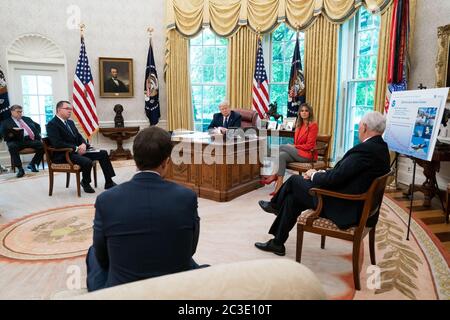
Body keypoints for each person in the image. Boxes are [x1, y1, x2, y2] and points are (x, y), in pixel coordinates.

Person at [86, 126, 205, 291]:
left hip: (122, 291)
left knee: (92, 252)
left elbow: (102, 258)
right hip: (175, 286)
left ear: (135, 159)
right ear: (167, 161)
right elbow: (190, 249)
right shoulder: (187, 196)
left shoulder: (106, 199)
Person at [255, 111, 390, 256]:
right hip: (356, 202)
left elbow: (334, 179)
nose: (358, 129)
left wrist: (313, 174)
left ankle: (275, 206)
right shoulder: (381, 148)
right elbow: (346, 174)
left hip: (344, 206)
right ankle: (277, 242)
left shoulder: (365, 150)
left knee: (294, 181)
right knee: (293, 197)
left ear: (364, 127)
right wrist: (321, 174)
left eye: (359, 126)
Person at [46, 101, 116, 193]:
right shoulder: (52, 124)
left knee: (103, 153)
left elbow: (79, 136)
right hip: (64, 154)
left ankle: (109, 182)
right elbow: (57, 143)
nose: (70, 111)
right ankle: (85, 182)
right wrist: (76, 148)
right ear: (59, 110)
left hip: (76, 151)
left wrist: (83, 144)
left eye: (71, 109)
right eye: (67, 109)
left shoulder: (70, 122)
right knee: (87, 161)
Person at [261, 103, 318, 196]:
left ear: (310, 113)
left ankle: (273, 174)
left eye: (306, 111)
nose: (304, 113)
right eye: (302, 111)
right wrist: (294, 146)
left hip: (308, 155)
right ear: (299, 113)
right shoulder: (299, 125)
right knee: (281, 156)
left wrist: (294, 147)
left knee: (282, 147)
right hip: (299, 152)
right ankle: (278, 187)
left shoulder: (313, 125)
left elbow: (310, 146)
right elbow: (297, 143)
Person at [1, 104, 44, 178]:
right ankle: (20, 169)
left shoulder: (27, 119)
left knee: (43, 145)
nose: (20, 113)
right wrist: (10, 134)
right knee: (12, 146)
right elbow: (2, 134)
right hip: (16, 141)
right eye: (18, 112)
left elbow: (37, 126)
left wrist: (38, 135)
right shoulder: (6, 122)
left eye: (21, 112)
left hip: (30, 140)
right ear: (12, 112)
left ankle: (33, 164)